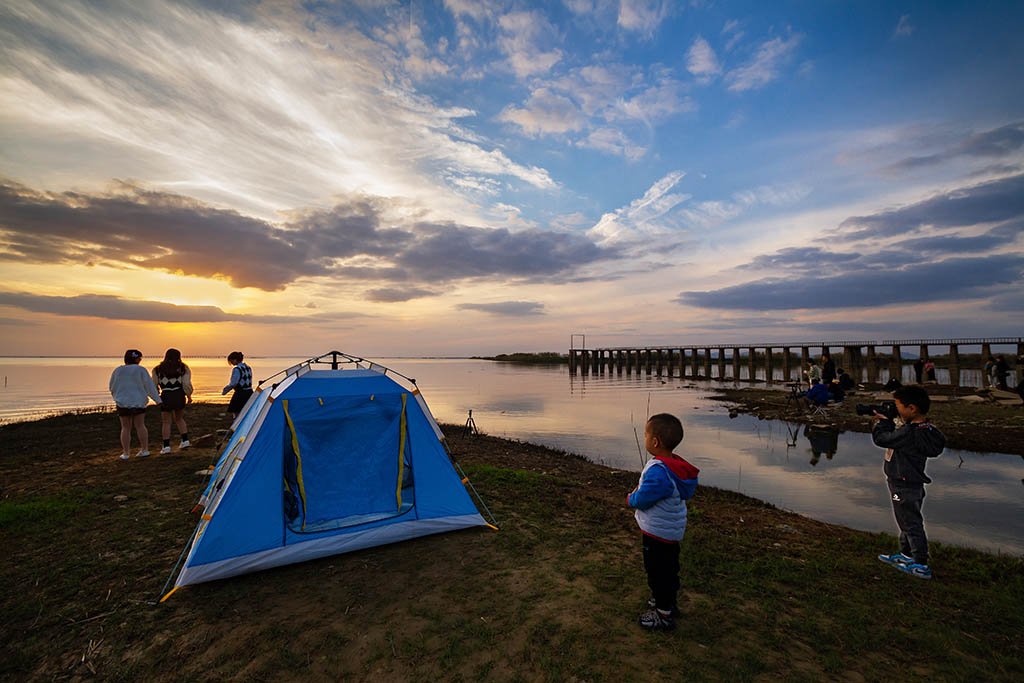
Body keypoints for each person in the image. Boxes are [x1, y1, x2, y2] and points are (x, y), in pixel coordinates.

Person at [627, 413, 699, 631]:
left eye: (646, 435)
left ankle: (663, 614)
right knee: (669, 568)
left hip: (658, 532)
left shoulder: (659, 471)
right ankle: (668, 603)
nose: (645, 439)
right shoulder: (675, 465)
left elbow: (644, 498)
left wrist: (631, 498)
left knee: (657, 571)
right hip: (671, 531)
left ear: (655, 441)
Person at [871, 385, 945, 580]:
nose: (897, 410)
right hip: (913, 482)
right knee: (906, 519)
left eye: (899, 406)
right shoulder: (925, 429)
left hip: (902, 484)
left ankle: (921, 564)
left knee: (910, 522)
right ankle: (906, 555)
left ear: (912, 408)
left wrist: (882, 423)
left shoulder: (909, 433)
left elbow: (882, 439)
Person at [108, 349, 161, 460]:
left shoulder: (118, 370)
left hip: (123, 402)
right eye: (139, 358)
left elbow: (112, 386)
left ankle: (126, 453)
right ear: (136, 359)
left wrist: (117, 397)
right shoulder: (141, 370)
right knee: (140, 425)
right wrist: (158, 400)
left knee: (125, 427)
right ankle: (144, 449)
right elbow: (149, 387)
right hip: (138, 402)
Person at [152, 348, 193, 454]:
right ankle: (185, 440)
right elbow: (186, 384)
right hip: (179, 394)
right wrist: (188, 396)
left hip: (166, 395)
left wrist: (156, 398)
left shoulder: (158, 369)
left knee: (166, 422)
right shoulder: (183, 368)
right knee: (179, 419)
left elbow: (154, 385)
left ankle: (166, 446)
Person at [222, 351, 253, 419]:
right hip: (250, 393)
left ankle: (236, 427)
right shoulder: (248, 368)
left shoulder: (237, 369)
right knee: (247, 413)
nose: (231, 363)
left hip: (240, 394)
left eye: (231, 361)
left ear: (235, 360)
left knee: (236, 413)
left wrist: (224, 391)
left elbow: (233, 383)